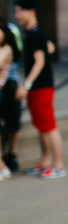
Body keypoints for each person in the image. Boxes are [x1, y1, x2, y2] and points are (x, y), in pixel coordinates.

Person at [14, 0, 66, 178]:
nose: (17, 15)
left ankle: (58, 165)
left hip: (41, 86)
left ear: (31, 12)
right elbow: (47, 49)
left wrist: (26, 85)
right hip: (37, 88)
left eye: (21, 11)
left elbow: (40, 61)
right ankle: (45, 161)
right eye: (17, 11)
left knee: (49, 126)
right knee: (41, 125)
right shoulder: (32, 33)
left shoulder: (35, 33)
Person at [1, 21, 23, 171]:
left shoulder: (11, 29)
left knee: (12, 120)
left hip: (9, 84)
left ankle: (11, 154)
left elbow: (19, 50)